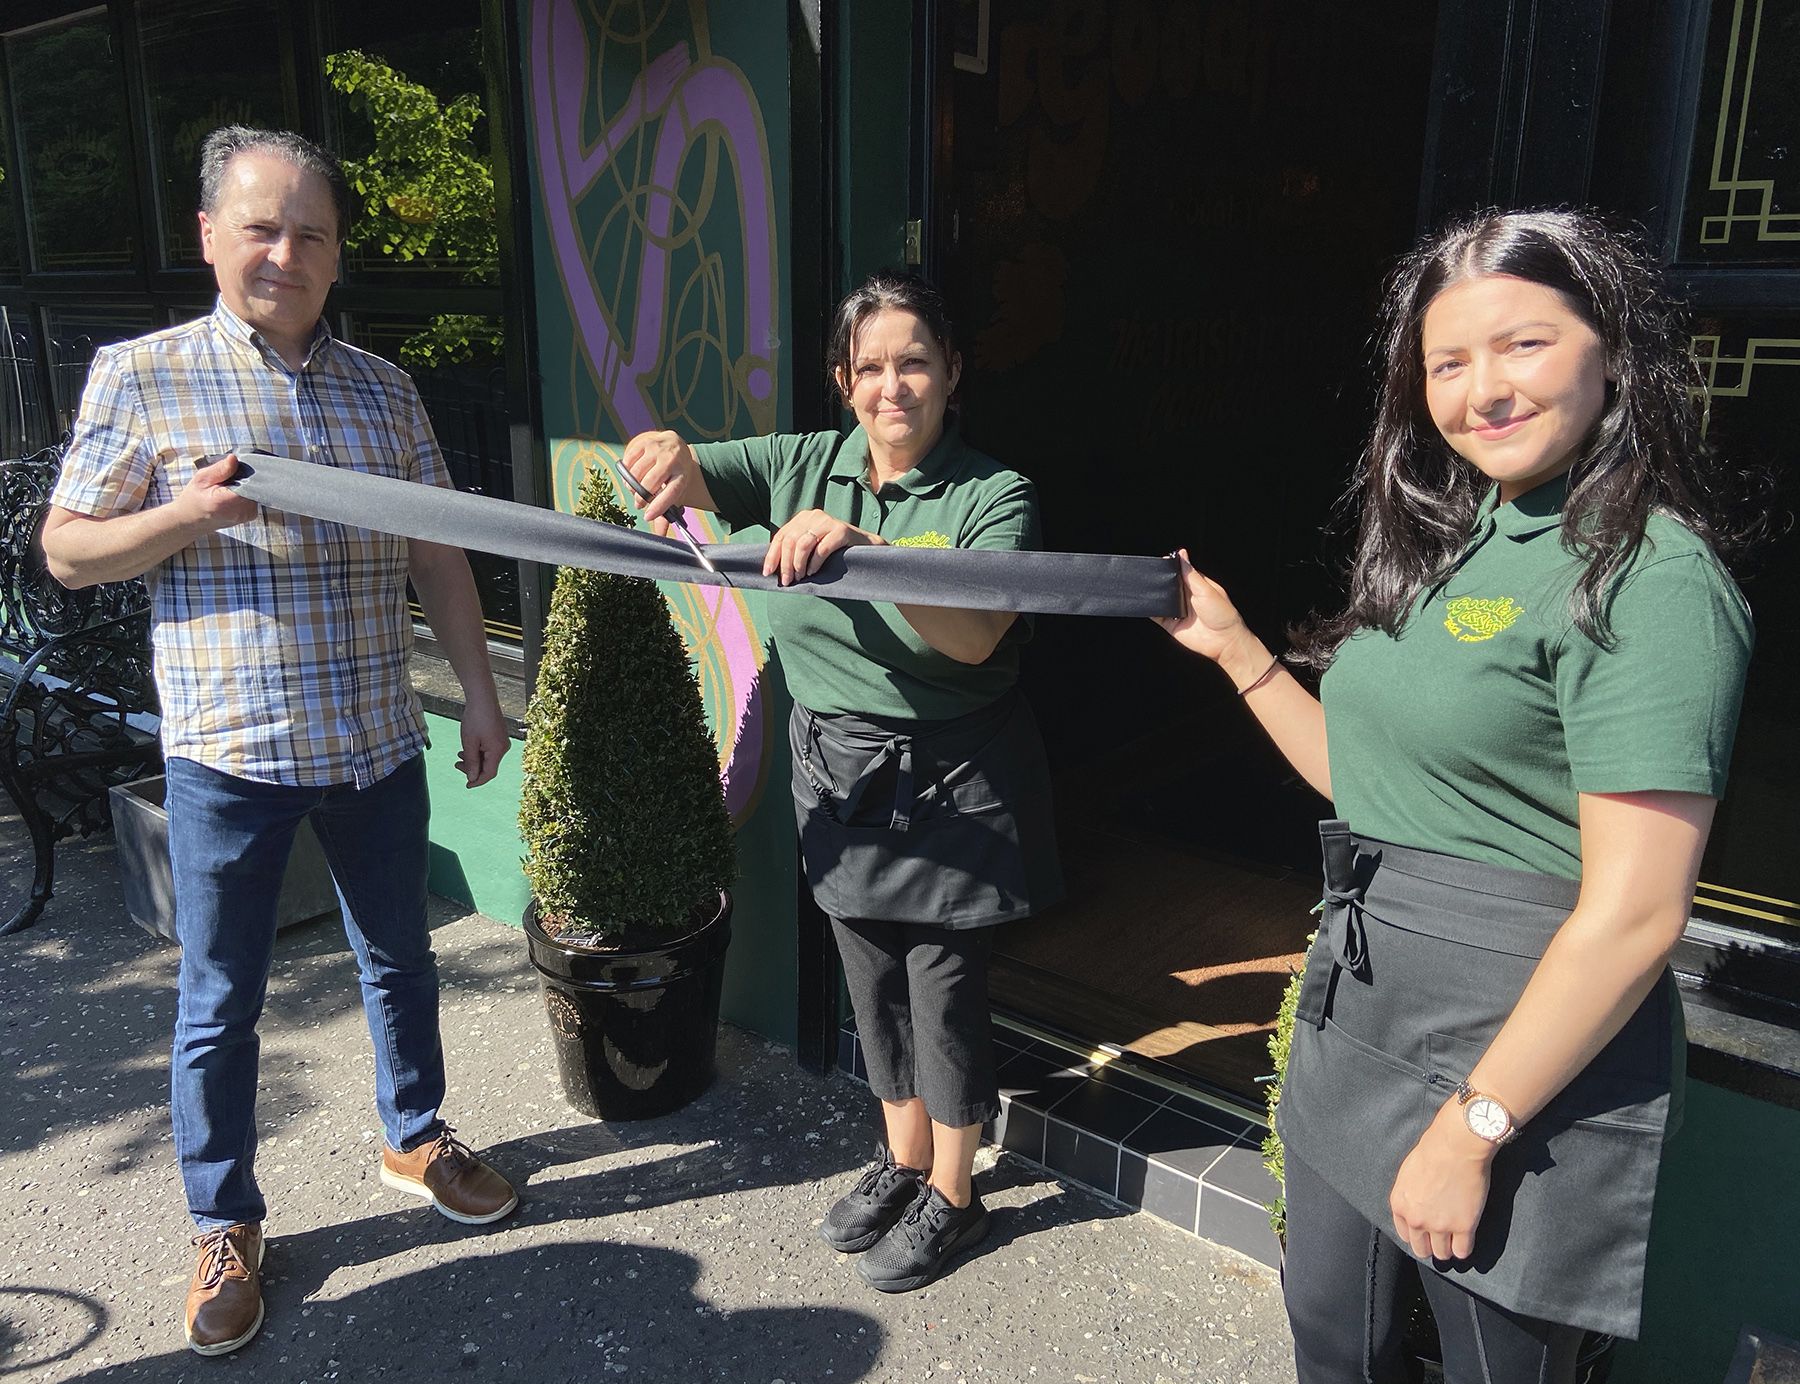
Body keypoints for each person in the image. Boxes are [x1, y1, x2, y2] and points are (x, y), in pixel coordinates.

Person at [1158, 209, 1759, 1382]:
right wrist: (1236, 650)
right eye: (1448, 361)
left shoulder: (1652, 577)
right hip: (1362, 1009)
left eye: (1523, 344)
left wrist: (1475, 1126)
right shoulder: (1457, 542)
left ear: (1610, 350)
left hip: (1521, 1051)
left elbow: (1637, 912)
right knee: (1335, 1338)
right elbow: (1376, 789)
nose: (1483, 388)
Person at [40, 126, 518, 1358]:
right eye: (261, 227)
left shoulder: (385, 390)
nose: (286, 253)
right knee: (219, 1004)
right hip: (228, 752)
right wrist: (183, 512)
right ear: (209, 236)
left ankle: (415, 1136)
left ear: (338, 253)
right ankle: (223, 1221)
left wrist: (477, 688)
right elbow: (67, 550)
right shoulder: (140, 374)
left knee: (400, 955)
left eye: (311, 233)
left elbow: (439, 554)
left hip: (371, 733)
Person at [622, 271, 1062, 1293]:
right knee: (869, 978)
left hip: (953, 774)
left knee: (942, 993)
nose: (892, 385)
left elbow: (976, 632)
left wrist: (869, 549)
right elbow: (691, 471)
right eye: (870, 367)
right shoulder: (803, 460)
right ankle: (902, 1158)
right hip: (835, 769)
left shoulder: (994, 495)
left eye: (914, 361)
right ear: (842, 379)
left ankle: (956, 1191)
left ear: (953, 371)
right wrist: (666, 455)